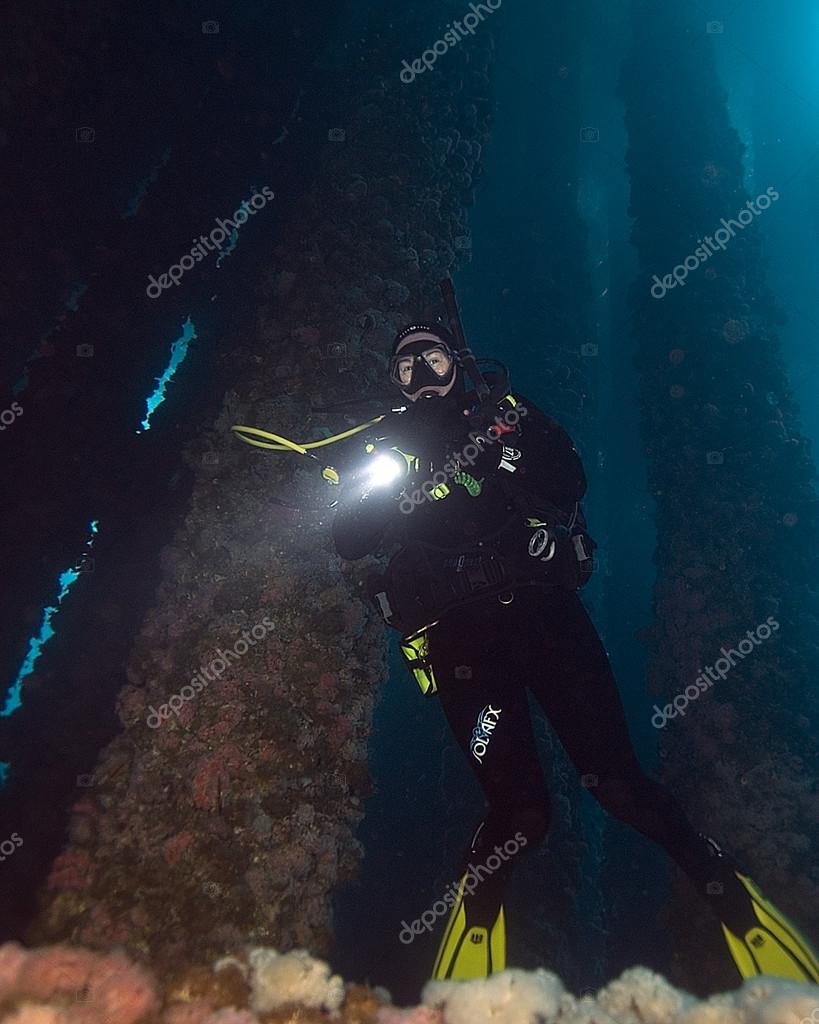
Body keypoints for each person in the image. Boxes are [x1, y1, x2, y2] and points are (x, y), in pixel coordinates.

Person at [330, 320, 819, 983]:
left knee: (619, 787)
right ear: (393, 381)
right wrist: (374, 475)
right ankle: (476, 918)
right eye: (406, 367)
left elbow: (569, 483)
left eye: (434, 360)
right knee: (520, 816)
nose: (422, 377)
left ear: (461, 362)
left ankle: (728, 897)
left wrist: (496, 451)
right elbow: (350, 541)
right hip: (460, 649)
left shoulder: (505, 416)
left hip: (549, 624)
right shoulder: (385, 446)